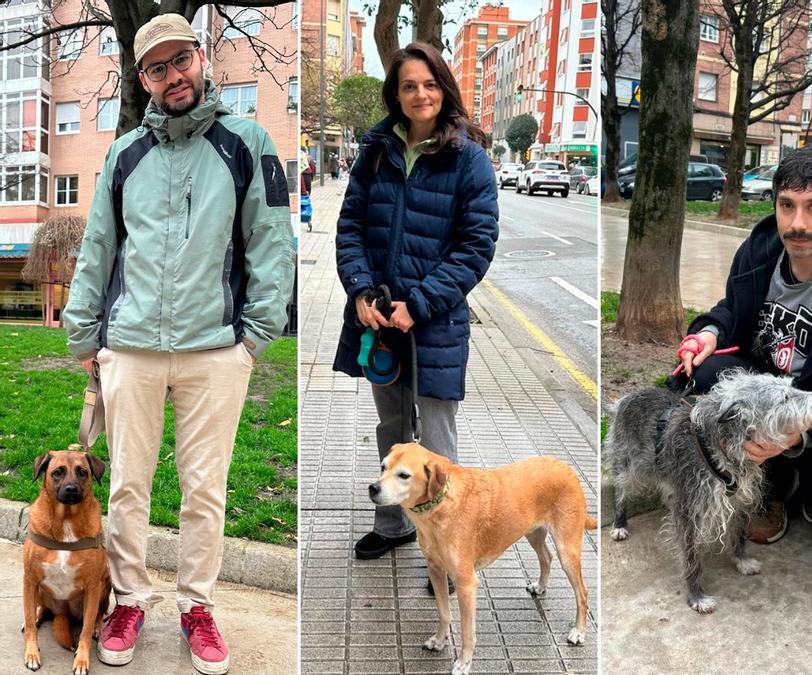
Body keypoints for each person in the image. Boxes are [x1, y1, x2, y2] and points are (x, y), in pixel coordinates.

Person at [62, 13, 295, 674]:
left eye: (181, 60)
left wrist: (254, 337)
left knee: (204, 488)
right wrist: (84, 332)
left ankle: (197, 606)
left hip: (216, 350)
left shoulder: (247, 141)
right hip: (131, 348)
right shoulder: (123, 153)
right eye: (157, 68)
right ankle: (131, 599)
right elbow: (97, 247)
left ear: (202, 58)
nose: (173, 76)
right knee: (129, 485)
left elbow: (272, 245)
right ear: (144, 80)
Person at [678, 145, 812, 589]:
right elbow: (731, 310)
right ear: (775, 205)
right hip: (767, 392)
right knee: (703, 377)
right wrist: (709, 334)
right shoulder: (759, 252)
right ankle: (768, 487)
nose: (797, 223)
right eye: (787, 206)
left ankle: (798, 481)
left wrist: (799, 437)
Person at [332, 43, 498, 576]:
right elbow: (350, 226)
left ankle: (451, 552)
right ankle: (394, 526)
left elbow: (476, 246)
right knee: (392, 426)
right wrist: (360, 292)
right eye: (408, 86)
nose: (420, 94)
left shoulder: (468, 156)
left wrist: (420, 304)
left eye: (429, 84)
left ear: (443, 88)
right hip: (379, 321)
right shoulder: (376, 151)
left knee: (438, 441)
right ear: (396, 94)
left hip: (434, 323)